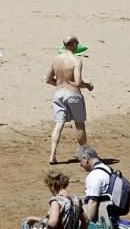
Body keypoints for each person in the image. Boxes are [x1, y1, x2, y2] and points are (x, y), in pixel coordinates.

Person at [46, 35, 94, 165]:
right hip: (73, 95)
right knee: (79, 125)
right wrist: (88, 85)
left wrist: (61, 84)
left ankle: (52, 155)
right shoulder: (76, 61)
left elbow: (48, 79)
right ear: (73, 44)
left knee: (59, 124)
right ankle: (85, 155)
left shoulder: (56, 59)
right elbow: (78, 82)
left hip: (59, 94)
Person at [77, 145, 116, 227]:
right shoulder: (106, 168)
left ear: (85, 158)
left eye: (80, 161)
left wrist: (87, 225)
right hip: (110, 213)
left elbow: (93, 202)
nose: (80, 164)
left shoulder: (95, 175)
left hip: (100, 218)